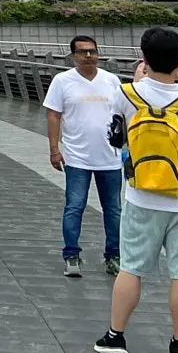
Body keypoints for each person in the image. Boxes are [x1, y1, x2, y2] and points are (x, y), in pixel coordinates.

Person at [95, 27, 178, 353]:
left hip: (141, 197)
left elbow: (116, 137)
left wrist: (139, 79)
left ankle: (115, 337)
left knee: (131, 269)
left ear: (144, 60)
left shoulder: (125, 94)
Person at [43, 35, 124, 279]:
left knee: (114, 210)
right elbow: (54, 115)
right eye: (82, 52)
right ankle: (71, 255)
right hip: (77, 158)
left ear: (98, 53)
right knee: (74, 206)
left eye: (92, 51)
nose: (88, 56)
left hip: (110, 158)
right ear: (73, 56)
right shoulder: (62, 81)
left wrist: (128, 147)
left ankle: (114, 256)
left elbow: (124, 115)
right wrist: (54, 149)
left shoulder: (112, 81)